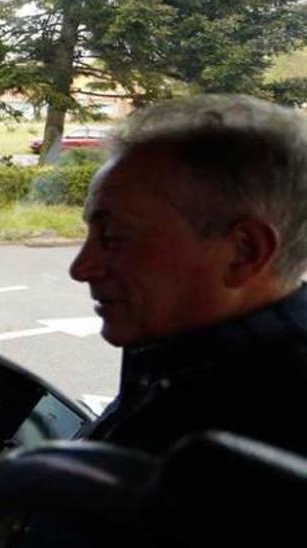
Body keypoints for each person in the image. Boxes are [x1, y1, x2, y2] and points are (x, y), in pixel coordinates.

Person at [69, 94, 307, 456]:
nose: (81, 268)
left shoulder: (240, 452)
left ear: (244, 252)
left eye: (114, 238)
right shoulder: (177, 358)